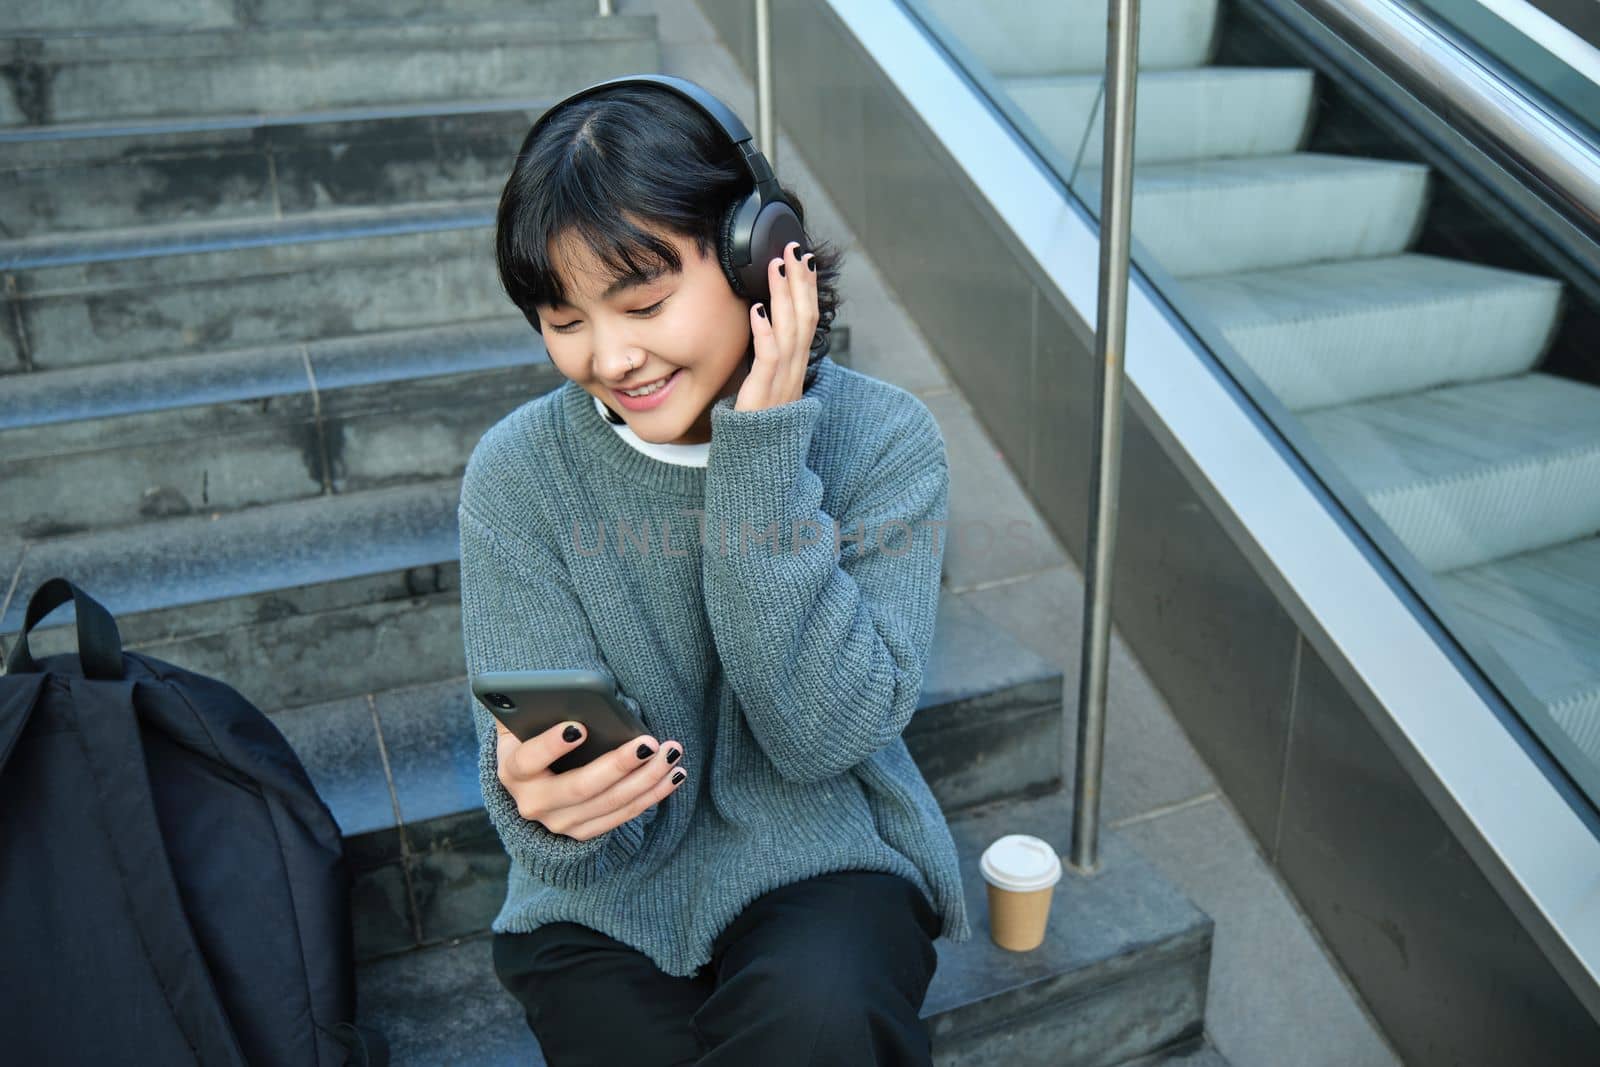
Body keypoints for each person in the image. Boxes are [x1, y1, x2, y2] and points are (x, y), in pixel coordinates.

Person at [458, 75, 971, 1067]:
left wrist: (763, 451)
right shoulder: (520, 472)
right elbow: (543, 752)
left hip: (822, 849)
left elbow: (820, 735)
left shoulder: (883, 441)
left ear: (761, 256)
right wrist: (539, 800)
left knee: (820, 1018)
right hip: (602, 894)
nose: (610, 356)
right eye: (564, 321)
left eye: (643, 302)